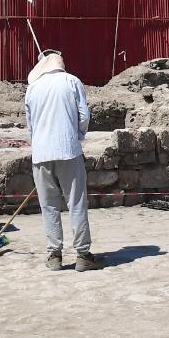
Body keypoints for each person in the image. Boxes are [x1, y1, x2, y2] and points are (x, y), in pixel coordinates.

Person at [24, 50, 101, 271]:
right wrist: (77, 137)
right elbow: (84, 116)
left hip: (41, 154)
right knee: (76, 203)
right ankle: (83, 255)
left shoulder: (32, 89)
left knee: (48, 206)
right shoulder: (72, 81)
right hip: (68, 151)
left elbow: (30, 124)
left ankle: (54, 255)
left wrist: (40, 142)